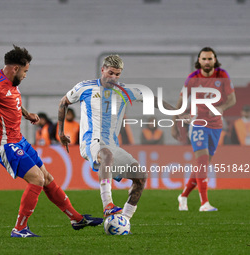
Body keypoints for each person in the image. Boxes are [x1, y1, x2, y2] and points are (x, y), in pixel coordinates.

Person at [0, 45, 103, 238]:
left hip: (20, 140)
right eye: (25, 71)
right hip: (5, 145)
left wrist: (26, 114)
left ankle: (76, 218)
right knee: (37, 179)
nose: (25, 75)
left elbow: (11, 101)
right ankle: (19, 228)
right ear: (15, 68)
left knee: (47, 178)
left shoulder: (11, 84)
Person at [58, 54, 179, 224]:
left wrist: (177, 112)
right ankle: (108, 204)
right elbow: (63, 102)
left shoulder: (124, 90)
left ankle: (124, 220)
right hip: (91, 141)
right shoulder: (84, 87)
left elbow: (152, 99)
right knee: (106, 154)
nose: (113, 77)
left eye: (117, 74)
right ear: (103, 70)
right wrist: (61, 132)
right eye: (110, 73)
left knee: (140, 177)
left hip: (112, 145)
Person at [172, 47, 236, 212]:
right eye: (204, 59)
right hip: (198, 123)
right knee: (201, 162)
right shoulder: (192, 78)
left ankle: (184, 195)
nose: (207, 62)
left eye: (210, 59)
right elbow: (180, 101)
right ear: (199, 61)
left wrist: (221, 108)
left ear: (215, 60)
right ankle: (204, 203)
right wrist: (174, 123)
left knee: (203, 165)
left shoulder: (222, 76)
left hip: (216, 125)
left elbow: (232, 99)